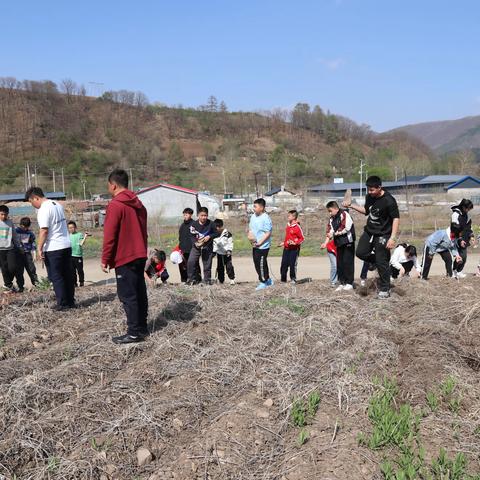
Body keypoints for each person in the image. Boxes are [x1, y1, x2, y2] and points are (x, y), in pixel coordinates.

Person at [101, 169, 148, 344]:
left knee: (128, 295)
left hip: (125, 256)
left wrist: (105, 258)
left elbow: (110, 235)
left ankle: (134, 332)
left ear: (113, 185)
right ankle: (142, 328)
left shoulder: (115, 205)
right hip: (140, 253)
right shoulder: (139, 204)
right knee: (139, 292)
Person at [344, 176, 400, 299]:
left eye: (372, 190)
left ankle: (385, 288)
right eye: (368, 190)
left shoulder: (389, 200)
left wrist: (392, 238)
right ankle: (379, 262)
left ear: (379, 187)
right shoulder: (369, 196)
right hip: (369, 231)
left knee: (381, 261)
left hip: (383, 234)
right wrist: (351, 205)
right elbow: (366, 211)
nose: (370, 192)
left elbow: (396, 218)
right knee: (360, 252)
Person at [26, 187, 74, 308]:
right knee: (67, 274)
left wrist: (39, 248)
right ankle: (70, 301)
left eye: (31, 202)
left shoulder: (43, 209)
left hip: (54, 247)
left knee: (56, 276)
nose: (33, 205)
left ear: (36, 198)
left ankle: (62, 304)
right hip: (66, 245)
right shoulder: (57, 204)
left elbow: (44, 231)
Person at [322, 201, 355, 291]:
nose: (329, 213)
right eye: (328, 211)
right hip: (339, 242)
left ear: (336, 208)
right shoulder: (332, 219)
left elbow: (346, 227)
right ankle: (342, 282)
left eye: (330, 211)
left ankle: (349, 283)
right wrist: (327, 239)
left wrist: (335, 233)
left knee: (347, 262)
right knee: (340, 263)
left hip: (348, 241)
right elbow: (330, 229)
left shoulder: (344, 214)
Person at [187, 207, 218, 285]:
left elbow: (216, 233)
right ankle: (191, 279)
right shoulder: (193, 224)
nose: (204, 217)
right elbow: (191, 235)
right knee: (191, 262)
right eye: (202, 215)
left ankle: (207, 280)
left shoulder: (211, 223)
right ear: (198, 215)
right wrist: (195, 243)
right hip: (196, 246)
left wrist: (209, 236)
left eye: (206, 215)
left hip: (207, 246)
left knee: (207, 264)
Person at [248, 198, 274, 291]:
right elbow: (250, 229)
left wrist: (260, 243)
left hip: (263, 246)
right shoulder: (253, 216)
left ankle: (263, 282)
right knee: (257, 263)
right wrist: (251, 238)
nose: (253, 208)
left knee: (261, 264)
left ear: (262, 207)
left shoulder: (266, 218)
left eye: (255, 206)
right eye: (253, 206)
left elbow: (268, 233)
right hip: (255, 245)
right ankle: (268, 280)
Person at [0, 205, 25, 293]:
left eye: (5, 215)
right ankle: (9, 285)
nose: (4, 216)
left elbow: (14, 235)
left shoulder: (10, 222)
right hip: (0, 250)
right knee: (4, 268)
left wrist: (19, 246)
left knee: (12, 267)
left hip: (10, 248)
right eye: (2, 214)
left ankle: (8, 284)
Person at [279, 210, 305, 283]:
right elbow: (288, 237)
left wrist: (295, 243)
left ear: (294, 217)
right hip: (286, 248)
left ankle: (293, 279)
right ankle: (283, 280)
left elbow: (302, 238)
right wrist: (284, 243)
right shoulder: (288, 225)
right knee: (284, 264)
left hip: (294, 250)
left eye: (289, 215)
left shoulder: (297, 227)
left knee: (292, 264)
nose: (288, 216)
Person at [450, 199, 473, 279]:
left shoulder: (467, 215)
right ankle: (453, 271)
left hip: (464, 237)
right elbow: (454, 228)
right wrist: (459, 239)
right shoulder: (455, 214)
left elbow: (468, 226)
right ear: (463, 207)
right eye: (468, 209)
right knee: (458, 256)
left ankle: (458, 271)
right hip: (454, 236)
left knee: (464, 256)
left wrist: (471, 235)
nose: (468, 210)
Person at [178, 208, 200, 283]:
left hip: (193, 248)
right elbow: (180, 237)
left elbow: (197, 236)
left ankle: (197, 279)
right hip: (183, 249)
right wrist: (180, 247)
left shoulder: (194, 224)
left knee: (194, 264)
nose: (185, 216)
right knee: (183, 264)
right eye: (184, 215)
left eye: (186, 214)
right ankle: (185, 280)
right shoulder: (182, 225)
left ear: (190, 215)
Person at [16, 216, 38, 287]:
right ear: (20, 225)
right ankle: (20, 286)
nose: (25, 228)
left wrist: (34, 253)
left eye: (26, 227)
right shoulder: (16, 231)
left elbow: (33, 243)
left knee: (31, 269)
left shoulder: (30, 233)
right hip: (18, 254)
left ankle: (36, 284)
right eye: (23, 227)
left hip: (27, 254)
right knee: (19, 271)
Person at [213, 219, 236, 285]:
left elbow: (230, 243)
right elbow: (214, 244)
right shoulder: (214, 234)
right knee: (220, 267)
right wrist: (214, 252)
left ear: (221, 226)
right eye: (216, 227)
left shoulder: (227, 234)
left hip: (227, 253)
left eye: (218, 227)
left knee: (229, 266)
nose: (217, 228)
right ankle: (221, 280)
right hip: (219, 253)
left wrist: (229, 250)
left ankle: (232, 279)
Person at [68, 221, 90, 287]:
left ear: (75, 227)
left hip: (78, 256)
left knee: (80, 270)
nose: (71, 229)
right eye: (69, 228)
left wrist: (85, 237)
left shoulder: (79, 234)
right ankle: (74, 283)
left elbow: (81, 244)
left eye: (72, 227)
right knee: (72, 271)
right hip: (71, 256)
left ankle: (81, 282)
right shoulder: (68, 236)